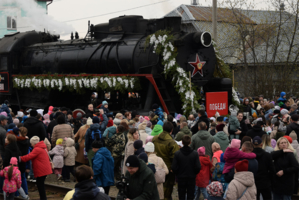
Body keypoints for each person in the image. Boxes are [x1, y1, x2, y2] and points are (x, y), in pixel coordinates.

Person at [152, 122, 180, 200]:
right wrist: (173, 168)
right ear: (171, 130)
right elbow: (175, 157)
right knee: (167, 188)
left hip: (155, 165)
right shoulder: (172, 143)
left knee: (157, 185)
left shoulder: (155, 138)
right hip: (168, 168)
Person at [172, 136, 201, 200]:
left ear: (182, 142)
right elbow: (198, 166)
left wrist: (178, 173)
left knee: (181, 194)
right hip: (191, 177)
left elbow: (174, 167)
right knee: (191, 194)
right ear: (190, 142)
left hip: (181, 177)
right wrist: (194, 173)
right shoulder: (195, 153)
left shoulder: (177, 153)